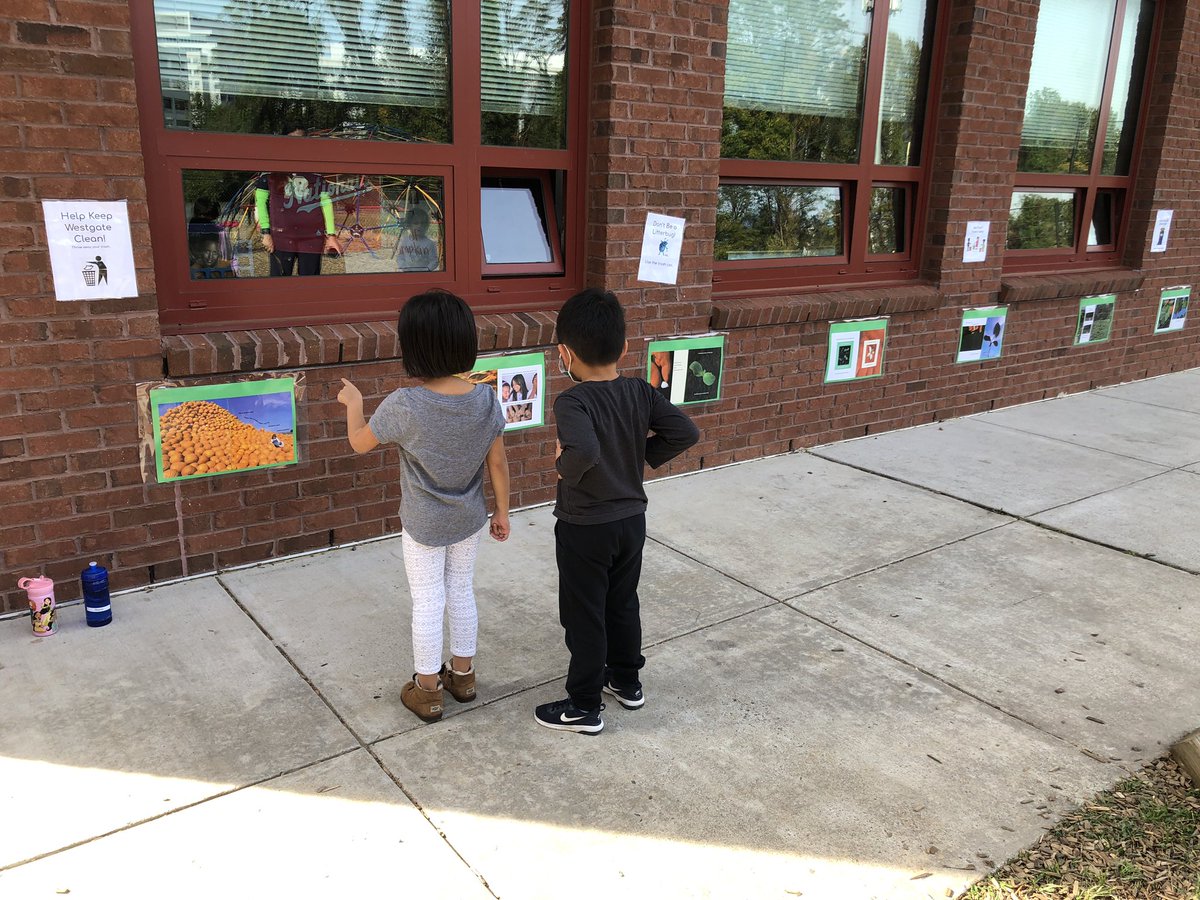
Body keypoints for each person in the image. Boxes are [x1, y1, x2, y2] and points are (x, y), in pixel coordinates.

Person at [337, 289, 511, 723]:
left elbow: (359, 443)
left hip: (423, 526)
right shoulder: (485, 399)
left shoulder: (405, 404)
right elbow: (498, 462)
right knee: (461, 590)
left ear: (413, 347)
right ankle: (464, 677)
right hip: (470, 519)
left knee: (428, 601)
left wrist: (355, 405)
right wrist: (503, 511)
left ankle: (428, 690)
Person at [534, 288, 700, 735]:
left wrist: (562, 467)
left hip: (585, 527)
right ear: (624, 348)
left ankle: (583, 706)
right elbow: (685, 432)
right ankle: (627, 681)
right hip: (631, 522)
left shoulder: (573, 401)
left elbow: (584, 452)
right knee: (622, 602)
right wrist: (638, 456)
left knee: (584, 613)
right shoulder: (640, 391)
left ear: (565, 354)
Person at [256, 125, 342, 276]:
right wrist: (266, 232)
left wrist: (331, 235)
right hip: (281, 238)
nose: (295, 146)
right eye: (291, 141)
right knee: (279, 282)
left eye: (300, 141)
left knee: (310, 282)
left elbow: (326, 203)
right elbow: (260, 202)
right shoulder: (270, 173)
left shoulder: (316, 173)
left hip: (311, 239)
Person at [396, 206, 440, 272]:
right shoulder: (405, 241)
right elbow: (400, 257)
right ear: (409, 225)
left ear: (426, 226)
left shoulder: (430, 243)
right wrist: (404, 267)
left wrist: (426, 270)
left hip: (423, 274)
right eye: (416, 223)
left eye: (422, 223)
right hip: (407, 273)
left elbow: (434, 261)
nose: (419, 226)